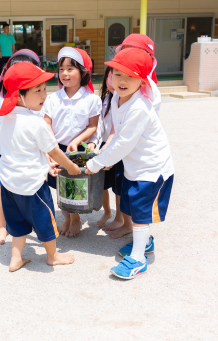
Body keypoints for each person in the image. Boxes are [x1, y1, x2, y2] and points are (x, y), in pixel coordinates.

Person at [85, 48, 174, 280]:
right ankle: (145, 242)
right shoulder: (117, 97)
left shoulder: (139, 108)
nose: (122, 81)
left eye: (130, 76)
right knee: (134, 207)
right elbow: (118, 134)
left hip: (152, 169)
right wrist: (104, 153)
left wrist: (97, 163)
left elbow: (124, 143)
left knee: (141, 212)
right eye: (117, 74)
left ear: (142, 81)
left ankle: (137, 259)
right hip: (136, 166)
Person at [0, 62, 79, 272]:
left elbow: (22, 149)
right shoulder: (35, 123)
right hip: (32, 186)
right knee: (45, 219)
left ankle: (15, 258)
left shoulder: (5, 117)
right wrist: (70, 166)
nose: (44, 95)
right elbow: (53, 150)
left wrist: (45, 164)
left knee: (16, 222)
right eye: (38, 90)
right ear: (18, 95)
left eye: (44, 89)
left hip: (9, 183)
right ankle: (52, 256)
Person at [43, 47, 101, 237]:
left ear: (83, 72)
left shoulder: (91, 99)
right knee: (60, 185)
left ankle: (75, 218)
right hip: (57, 147)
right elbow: (47, 123)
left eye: (70, 69)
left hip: (76, 150)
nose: (64, 73)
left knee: (75, 185)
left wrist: (76, 141)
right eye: (61, 69)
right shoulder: (52, 99)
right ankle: (67, 218)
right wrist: (50, 146)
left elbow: (93, 126)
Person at [0, 49, 41, 245]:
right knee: (4, 191)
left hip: (27, 152)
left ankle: (31, 224)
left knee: (31, 189)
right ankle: (2, 227)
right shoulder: (4, 99)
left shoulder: (38, 98)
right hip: (3, 152)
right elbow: (0, 126)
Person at [86, 66, 128, 236]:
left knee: (118, 186)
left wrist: (106, 148)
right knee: (102, 183)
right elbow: (98, 127)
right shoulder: (102, 100)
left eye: (116, 77)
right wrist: (94, 144)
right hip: (103, 147)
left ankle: (119, 217)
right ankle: (107, 211)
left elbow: (117, 132)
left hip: (119, 148)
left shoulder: (125, 101)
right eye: (110, 78)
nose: (113, 83)